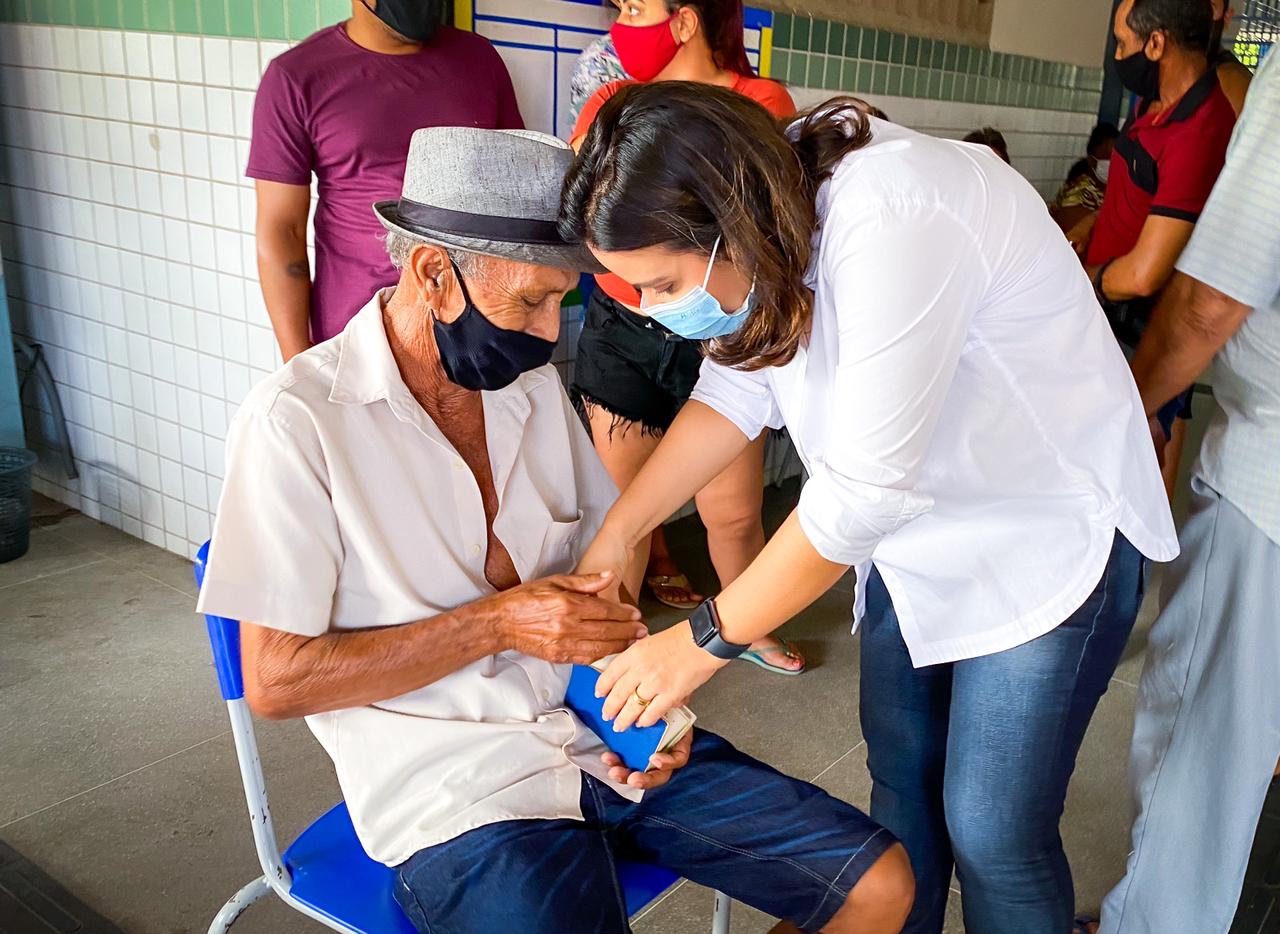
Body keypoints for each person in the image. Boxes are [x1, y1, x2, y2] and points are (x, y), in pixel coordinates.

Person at [198, 126, 914, 934]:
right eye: (532, 300)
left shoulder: (529, 392)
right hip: (460, 792)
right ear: (432, 274)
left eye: (561, 301)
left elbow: (598, 598)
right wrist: (498, 623)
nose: (548, 335)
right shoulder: (297, 423)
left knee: (878, 886)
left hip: (598, 740)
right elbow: (278, 681)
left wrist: (650, 716)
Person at [559, 83, 1179, 934]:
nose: (660, 313)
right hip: (916, 538)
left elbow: (862, 490)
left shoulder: (893, 210)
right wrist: (621, 530)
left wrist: (698, 643)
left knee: (994, 830)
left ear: (725, 224)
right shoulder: (769, 222)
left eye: (663, 284)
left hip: (1046, 534)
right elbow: (734, 393)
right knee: (902, 791)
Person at [1094, 50, 1280, 934]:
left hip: (1267, 481)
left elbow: (1212, 298)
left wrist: (1126, 416)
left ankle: (1154, 923)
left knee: (1204, 733)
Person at [568, 0, 805, 675]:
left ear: (685, 19)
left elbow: (853, 506)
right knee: (625, 511)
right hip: (622, 335)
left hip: (717, 326)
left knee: (731, 510)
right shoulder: (614, 106)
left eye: (636, 6)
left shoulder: (756, 106)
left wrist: (699, 650)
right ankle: (613, 651)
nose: (623, 22)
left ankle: (748, 621)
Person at [248, 0, 523, 362]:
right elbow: (282, 230)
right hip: (357, 331)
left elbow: (514, 187)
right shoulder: (296, 77)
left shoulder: (480, 60)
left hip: (471, 327)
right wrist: (296, 361)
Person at [1079, 0, 1236, 498]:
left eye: (1122, 43)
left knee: (1119, 479)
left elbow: (1145, 274)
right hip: (1107, 314)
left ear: (1156, 44)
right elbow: (1137, 199)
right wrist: (1091, 226)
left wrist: (1084, 281)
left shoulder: (1200, 130)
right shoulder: (1154, 105)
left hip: (1137, 332)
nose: (1117, 55)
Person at [1050, 122, 1119, 234]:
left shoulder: (1109, 190)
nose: (1114, 165)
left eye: (1118, 160)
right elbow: (1071, 224)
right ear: (1092, 161)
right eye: (1109, 160)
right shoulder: (1080, 191)